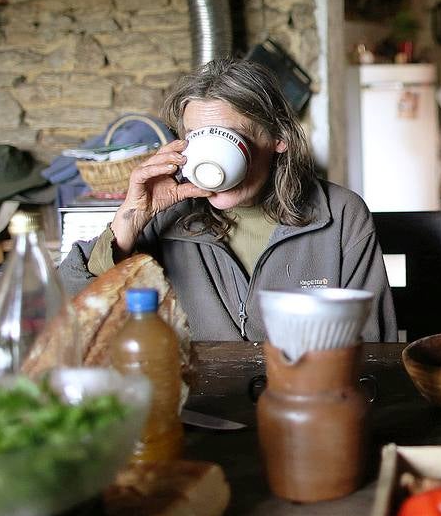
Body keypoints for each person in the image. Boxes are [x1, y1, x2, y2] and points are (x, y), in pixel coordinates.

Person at [59, 57, 397, 342]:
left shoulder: (338, 215)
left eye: (232, 138)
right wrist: (129, 220)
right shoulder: (166, 216)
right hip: (200, 408)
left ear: (278, 138)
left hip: (304, 401)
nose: (215, 159)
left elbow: (371, 345)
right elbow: (70, 313)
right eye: (198, 138)